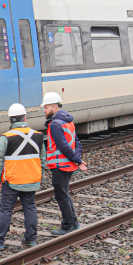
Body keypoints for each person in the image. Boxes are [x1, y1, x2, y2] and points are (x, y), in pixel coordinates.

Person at [0, 104, 44, 250]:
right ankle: (30, 239)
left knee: (6, 210)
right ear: (25, 118)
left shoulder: (6, 137)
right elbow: (43, 159)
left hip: (11, 181)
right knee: (30, 208)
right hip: (31, 180)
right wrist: (38, 173)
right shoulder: (38, 136)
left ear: (10, 121)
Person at [41, 92, 88, 236]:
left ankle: (68, 225)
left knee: (61, 196)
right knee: (64, 194)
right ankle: (74, 222)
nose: (44, 110)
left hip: (60, 166)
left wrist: (78, 160)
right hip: (68, 165)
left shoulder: (55, 124)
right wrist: (77, 158)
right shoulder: (68, 122)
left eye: (46, 107)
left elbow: (63, 146)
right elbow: (77, 143)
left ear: (54, 107)